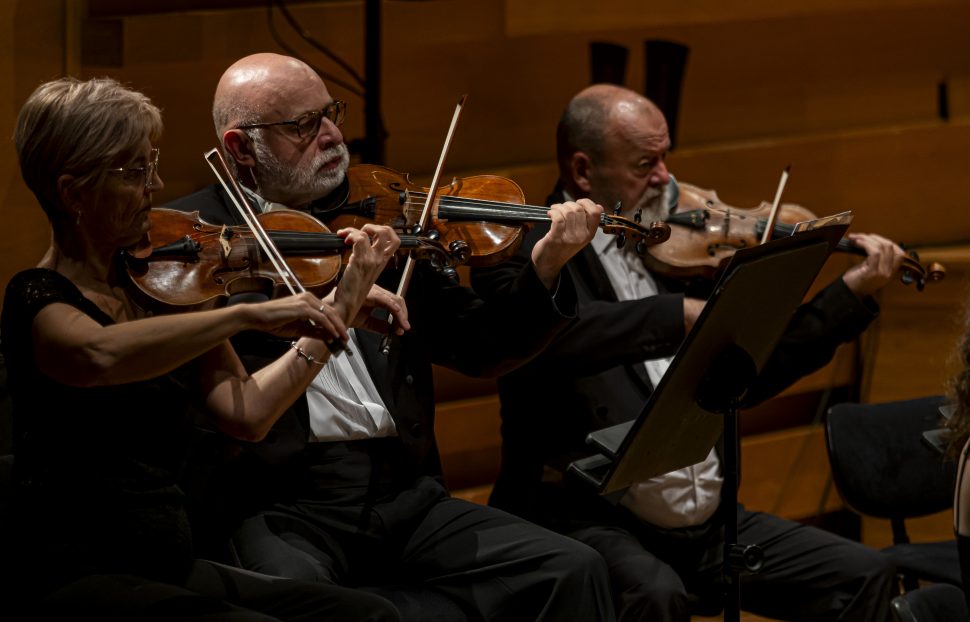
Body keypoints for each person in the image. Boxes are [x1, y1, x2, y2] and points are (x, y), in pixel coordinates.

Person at [165, 53, 616, 621]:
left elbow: (481, 347)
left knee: (572, 568)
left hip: (400, 491)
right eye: (303, 126)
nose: (332, 135)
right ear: (239, 147)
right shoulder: (198, 245)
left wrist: (546, 267)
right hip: (279, 501)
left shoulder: (382, 220)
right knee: (307, 602)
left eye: (330, 114)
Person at [470, 83, 901, 621]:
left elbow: (748, 376)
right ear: (583, 171)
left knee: (865, 576)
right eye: (646, 162)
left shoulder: (664, 247)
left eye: (665, 157)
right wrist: (672, 316)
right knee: (654, 593)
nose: (665, 179)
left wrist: (848, 295)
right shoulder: (527, 249)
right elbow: (550, 337)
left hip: (706, 526)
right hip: (585, 517)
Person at [2, 75, 405, 621]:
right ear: (74, 191)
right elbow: (97, 354)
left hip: (166, 564)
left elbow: (248, 413)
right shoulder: (36, 298)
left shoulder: (163, 287)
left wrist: (335, 313)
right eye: (136, 171)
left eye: (153, 162)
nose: (157, 183)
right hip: (75, 571)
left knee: (369, 615)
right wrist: (243, 313)